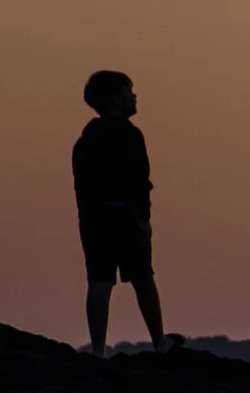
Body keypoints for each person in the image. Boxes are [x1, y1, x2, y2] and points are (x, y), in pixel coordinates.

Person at [71, 70, 177, 359]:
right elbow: (139, 181)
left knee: (99, 282)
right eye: (129, 90)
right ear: (116, 97)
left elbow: (82, 186)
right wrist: (143, 219)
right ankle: (159, 342)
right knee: (143, 278)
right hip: (126, 218)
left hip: (94, 220)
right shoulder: (131, 135)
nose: (135, 96)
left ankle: (96, 349)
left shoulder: (85, 141)